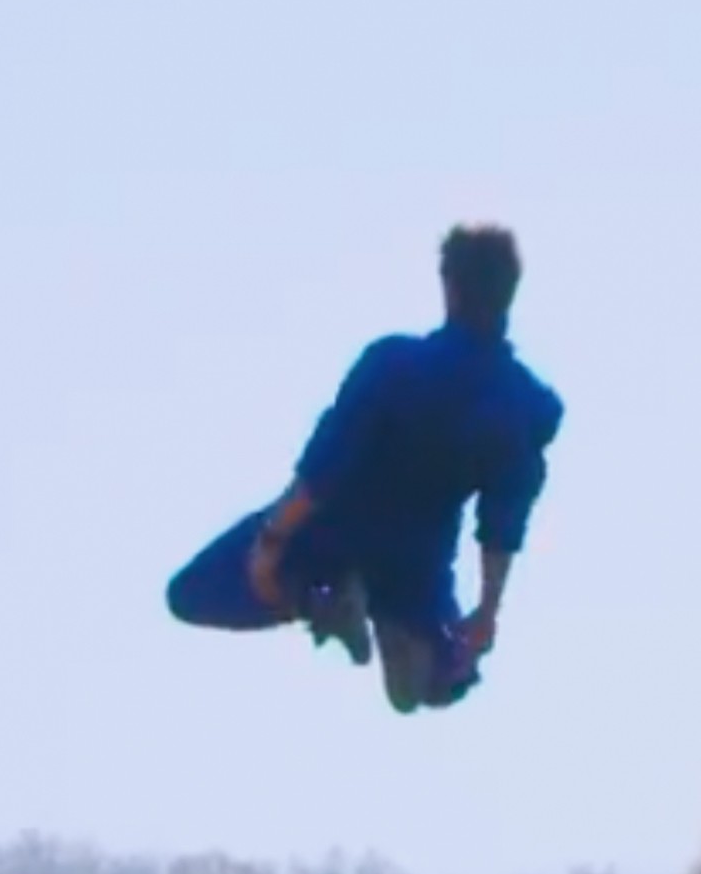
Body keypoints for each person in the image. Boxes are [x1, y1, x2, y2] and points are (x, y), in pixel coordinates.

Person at [166, 224, 565, 714]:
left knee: (191, 593)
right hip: (418, 561)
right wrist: (486, 612)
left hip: (332, 531)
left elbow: (325, 467)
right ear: (508, 293)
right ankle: (434, 651)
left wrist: (272, 542)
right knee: (442, 675)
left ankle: (322, 598)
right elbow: (504, 521)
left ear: (449, 286)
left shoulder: (395, 364)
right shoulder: (523, 405)